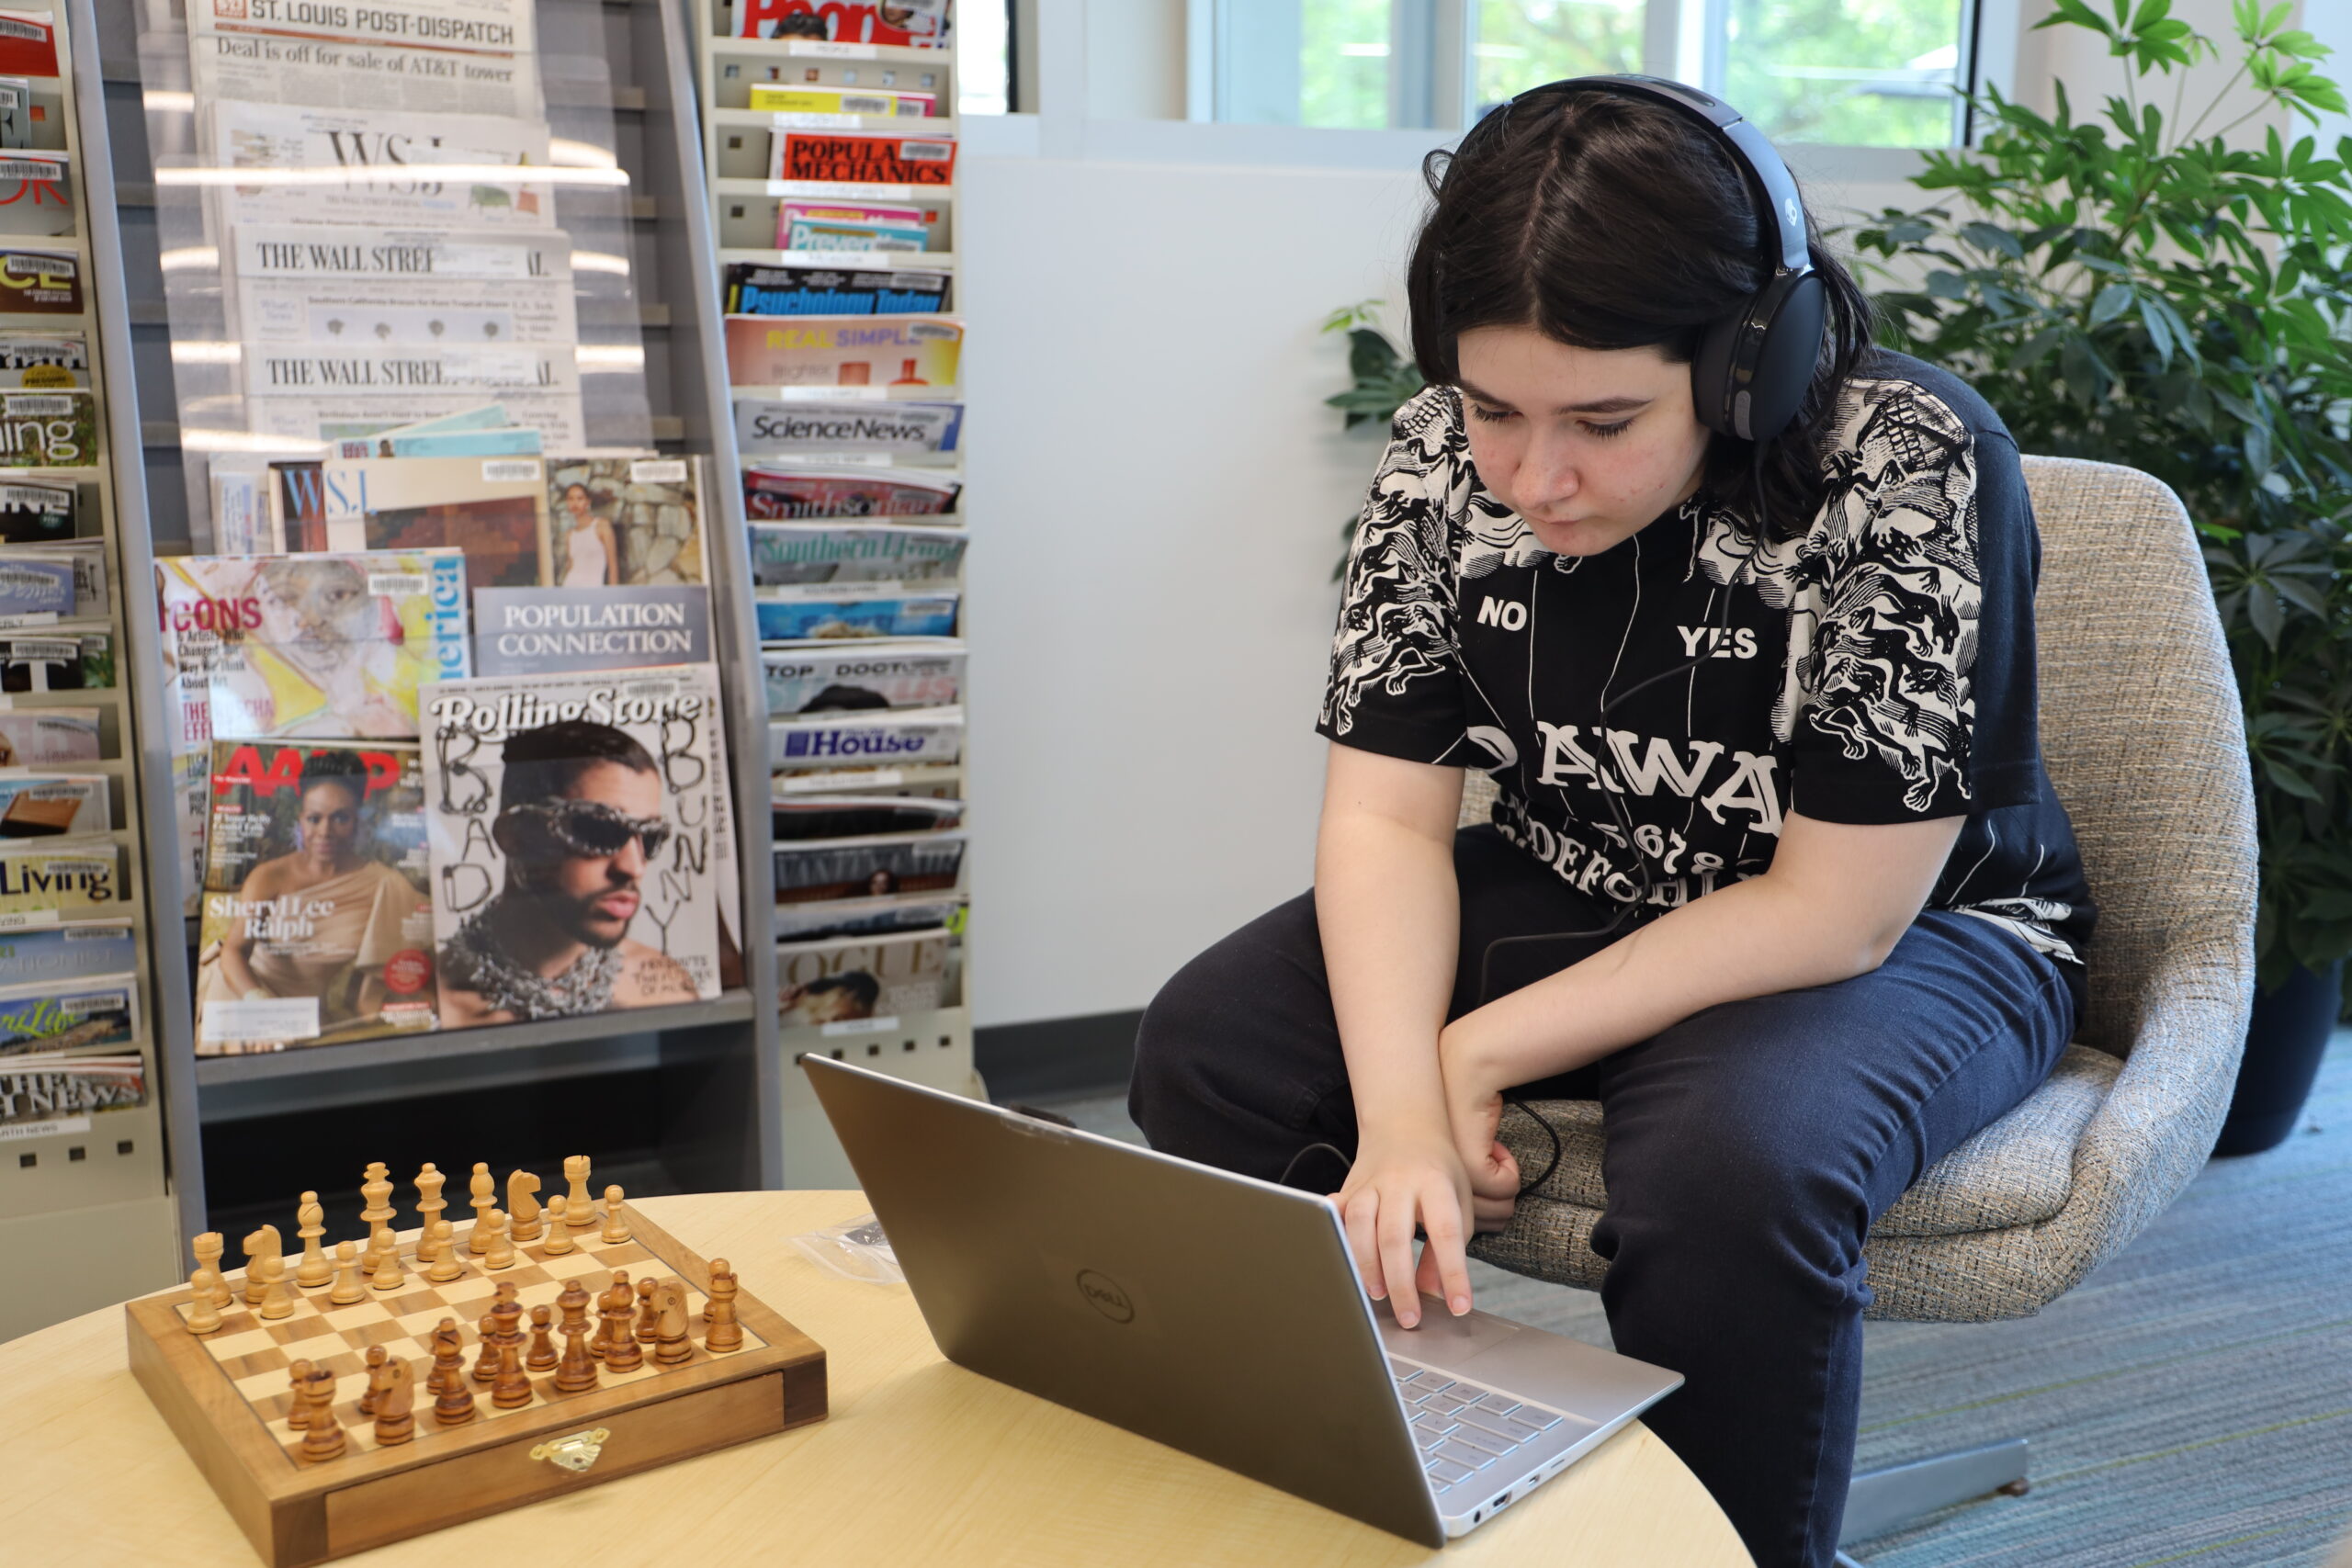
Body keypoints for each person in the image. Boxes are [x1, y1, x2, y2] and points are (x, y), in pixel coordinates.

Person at [1127, 79, 2094, 1568]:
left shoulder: (1907, 462)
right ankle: (1367, 1486)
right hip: (1583, 866)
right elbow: (1386, 822)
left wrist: (1474, 1050)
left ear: (1747, 363)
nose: (1533, 477)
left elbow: (1839, 909)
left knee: (1729, 1163)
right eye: (1494, 409)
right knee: (1212, 1050)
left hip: (1913, 934)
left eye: (1603, 419)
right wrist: (1396, 1117)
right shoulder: (1440, 460)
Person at [436, 719, 699, 1023]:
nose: (633, 867)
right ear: (516, 835)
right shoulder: (437, 1005)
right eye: (597, 830)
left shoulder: (664, 989)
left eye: (650, 836)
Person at [209, 750, 427, 1039]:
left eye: (340, 818)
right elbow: (234, 951)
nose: (325, 831)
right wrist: (264, 1010)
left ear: (357, 820)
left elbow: (424, 943)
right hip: (245, 992)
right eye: (314, 818)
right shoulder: (270, 876)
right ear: (300, 819)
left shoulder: (384, 884)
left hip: (307, 1016)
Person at [556, 481, 618, 589]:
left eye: (579, 499)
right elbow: (571, 567)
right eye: (570, 499)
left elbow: (613, 565)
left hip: (593, 590)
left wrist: (613, 595)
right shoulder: (570, 534)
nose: (575, 503)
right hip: (570, 589)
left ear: (587, 502)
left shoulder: (601, 525)